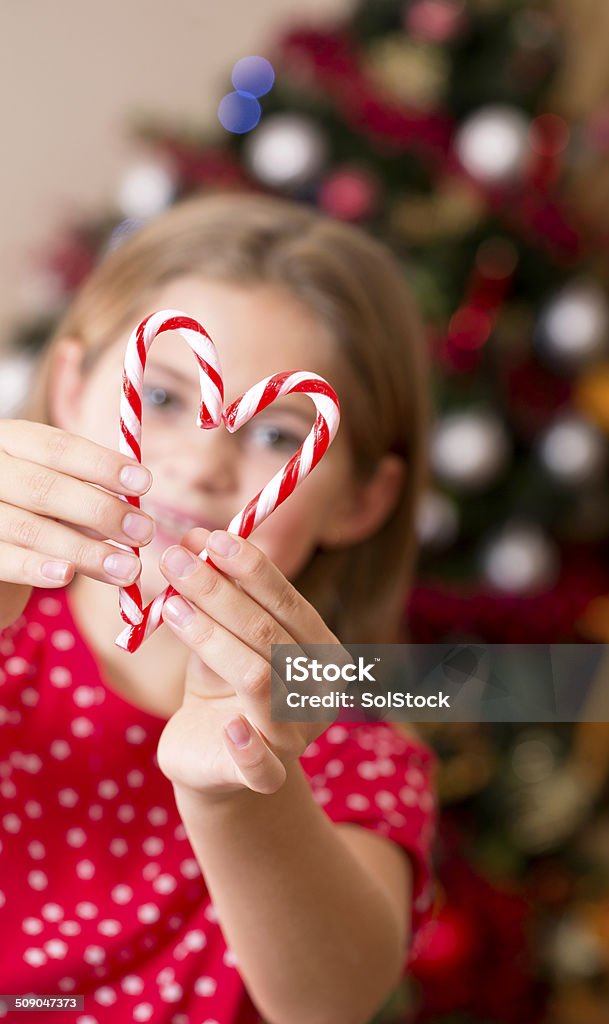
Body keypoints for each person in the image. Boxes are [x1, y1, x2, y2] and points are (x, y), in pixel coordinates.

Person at [0, 192, 438, 1024]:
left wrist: (241, 791)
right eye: (161, 400)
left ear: (361, 501)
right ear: (69, 388)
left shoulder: (349, 744)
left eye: (277, 436)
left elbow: (331, 999)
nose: (202, 466)